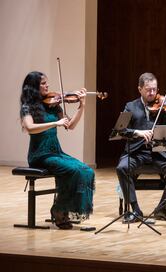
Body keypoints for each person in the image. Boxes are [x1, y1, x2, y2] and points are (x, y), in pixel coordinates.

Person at [19, 71, 95, 230]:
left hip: (56, 152)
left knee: (86, 170)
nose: (47, 86)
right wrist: (55, 123)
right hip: (40, 155)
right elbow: (30, 128)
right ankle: (59, 210)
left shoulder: (53, 105)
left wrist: (82, 105)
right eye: (43, 83)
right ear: (33, 87)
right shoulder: (28, 107)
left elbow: (71, 125)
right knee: (73, 170)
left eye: (47, 83)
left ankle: (62, 208)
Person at [116, 72, 166, 223]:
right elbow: (120, 131)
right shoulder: (130, 106)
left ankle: (162, 208)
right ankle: (135, 210)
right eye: (148, 90)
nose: (152, 93)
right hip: (136, 152)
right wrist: (138, 132)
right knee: (122, 168)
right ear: (139, 89)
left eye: (154, 89)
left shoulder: (162, 106)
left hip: (157, 151)